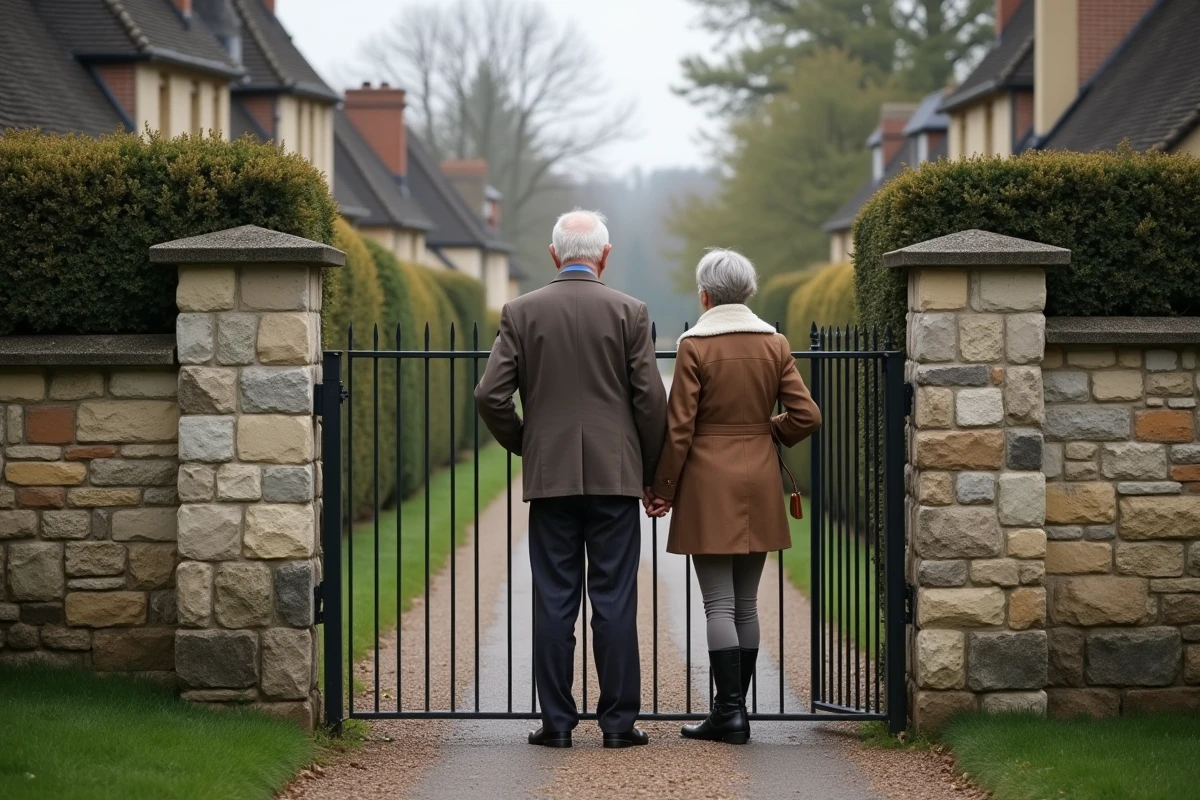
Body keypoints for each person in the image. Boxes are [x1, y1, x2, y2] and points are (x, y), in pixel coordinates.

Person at [475, 209, 667, 749]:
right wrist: (652, 474)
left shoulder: (521, 310)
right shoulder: (630, 311)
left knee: (554, 599)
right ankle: (617, 725)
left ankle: (557, 724)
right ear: (604, 256)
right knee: (615, 599)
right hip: (614, 477)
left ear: (555, 255)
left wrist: (526, 443)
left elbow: (490, 395)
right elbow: (651, 402)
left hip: (551, 477)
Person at [646, 248, 821, 745]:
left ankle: (730, 715)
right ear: (748, 291)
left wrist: (662, 490)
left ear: (704, 294)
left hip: (707, 483)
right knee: (746, 605)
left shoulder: (694, 346)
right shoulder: (775, 343)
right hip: (760, 478)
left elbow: (679, 430)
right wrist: (768, 429)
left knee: (717, 605)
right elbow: (807, 416)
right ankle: (735, 712)